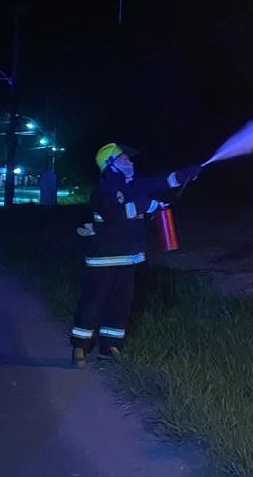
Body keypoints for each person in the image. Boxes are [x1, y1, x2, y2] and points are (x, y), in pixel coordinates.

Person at [69, 142, 201, 368]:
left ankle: (110, 347)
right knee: (92, 302)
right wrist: (149, 205)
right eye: (124, 158)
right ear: (110, 164)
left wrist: (184, 174)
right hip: (103, 259)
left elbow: (163, 181)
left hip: (128, 258)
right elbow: (116, 213)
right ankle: (79, 347)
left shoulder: (133, 185)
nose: (130, 161)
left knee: (121, 303)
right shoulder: (104, 190)